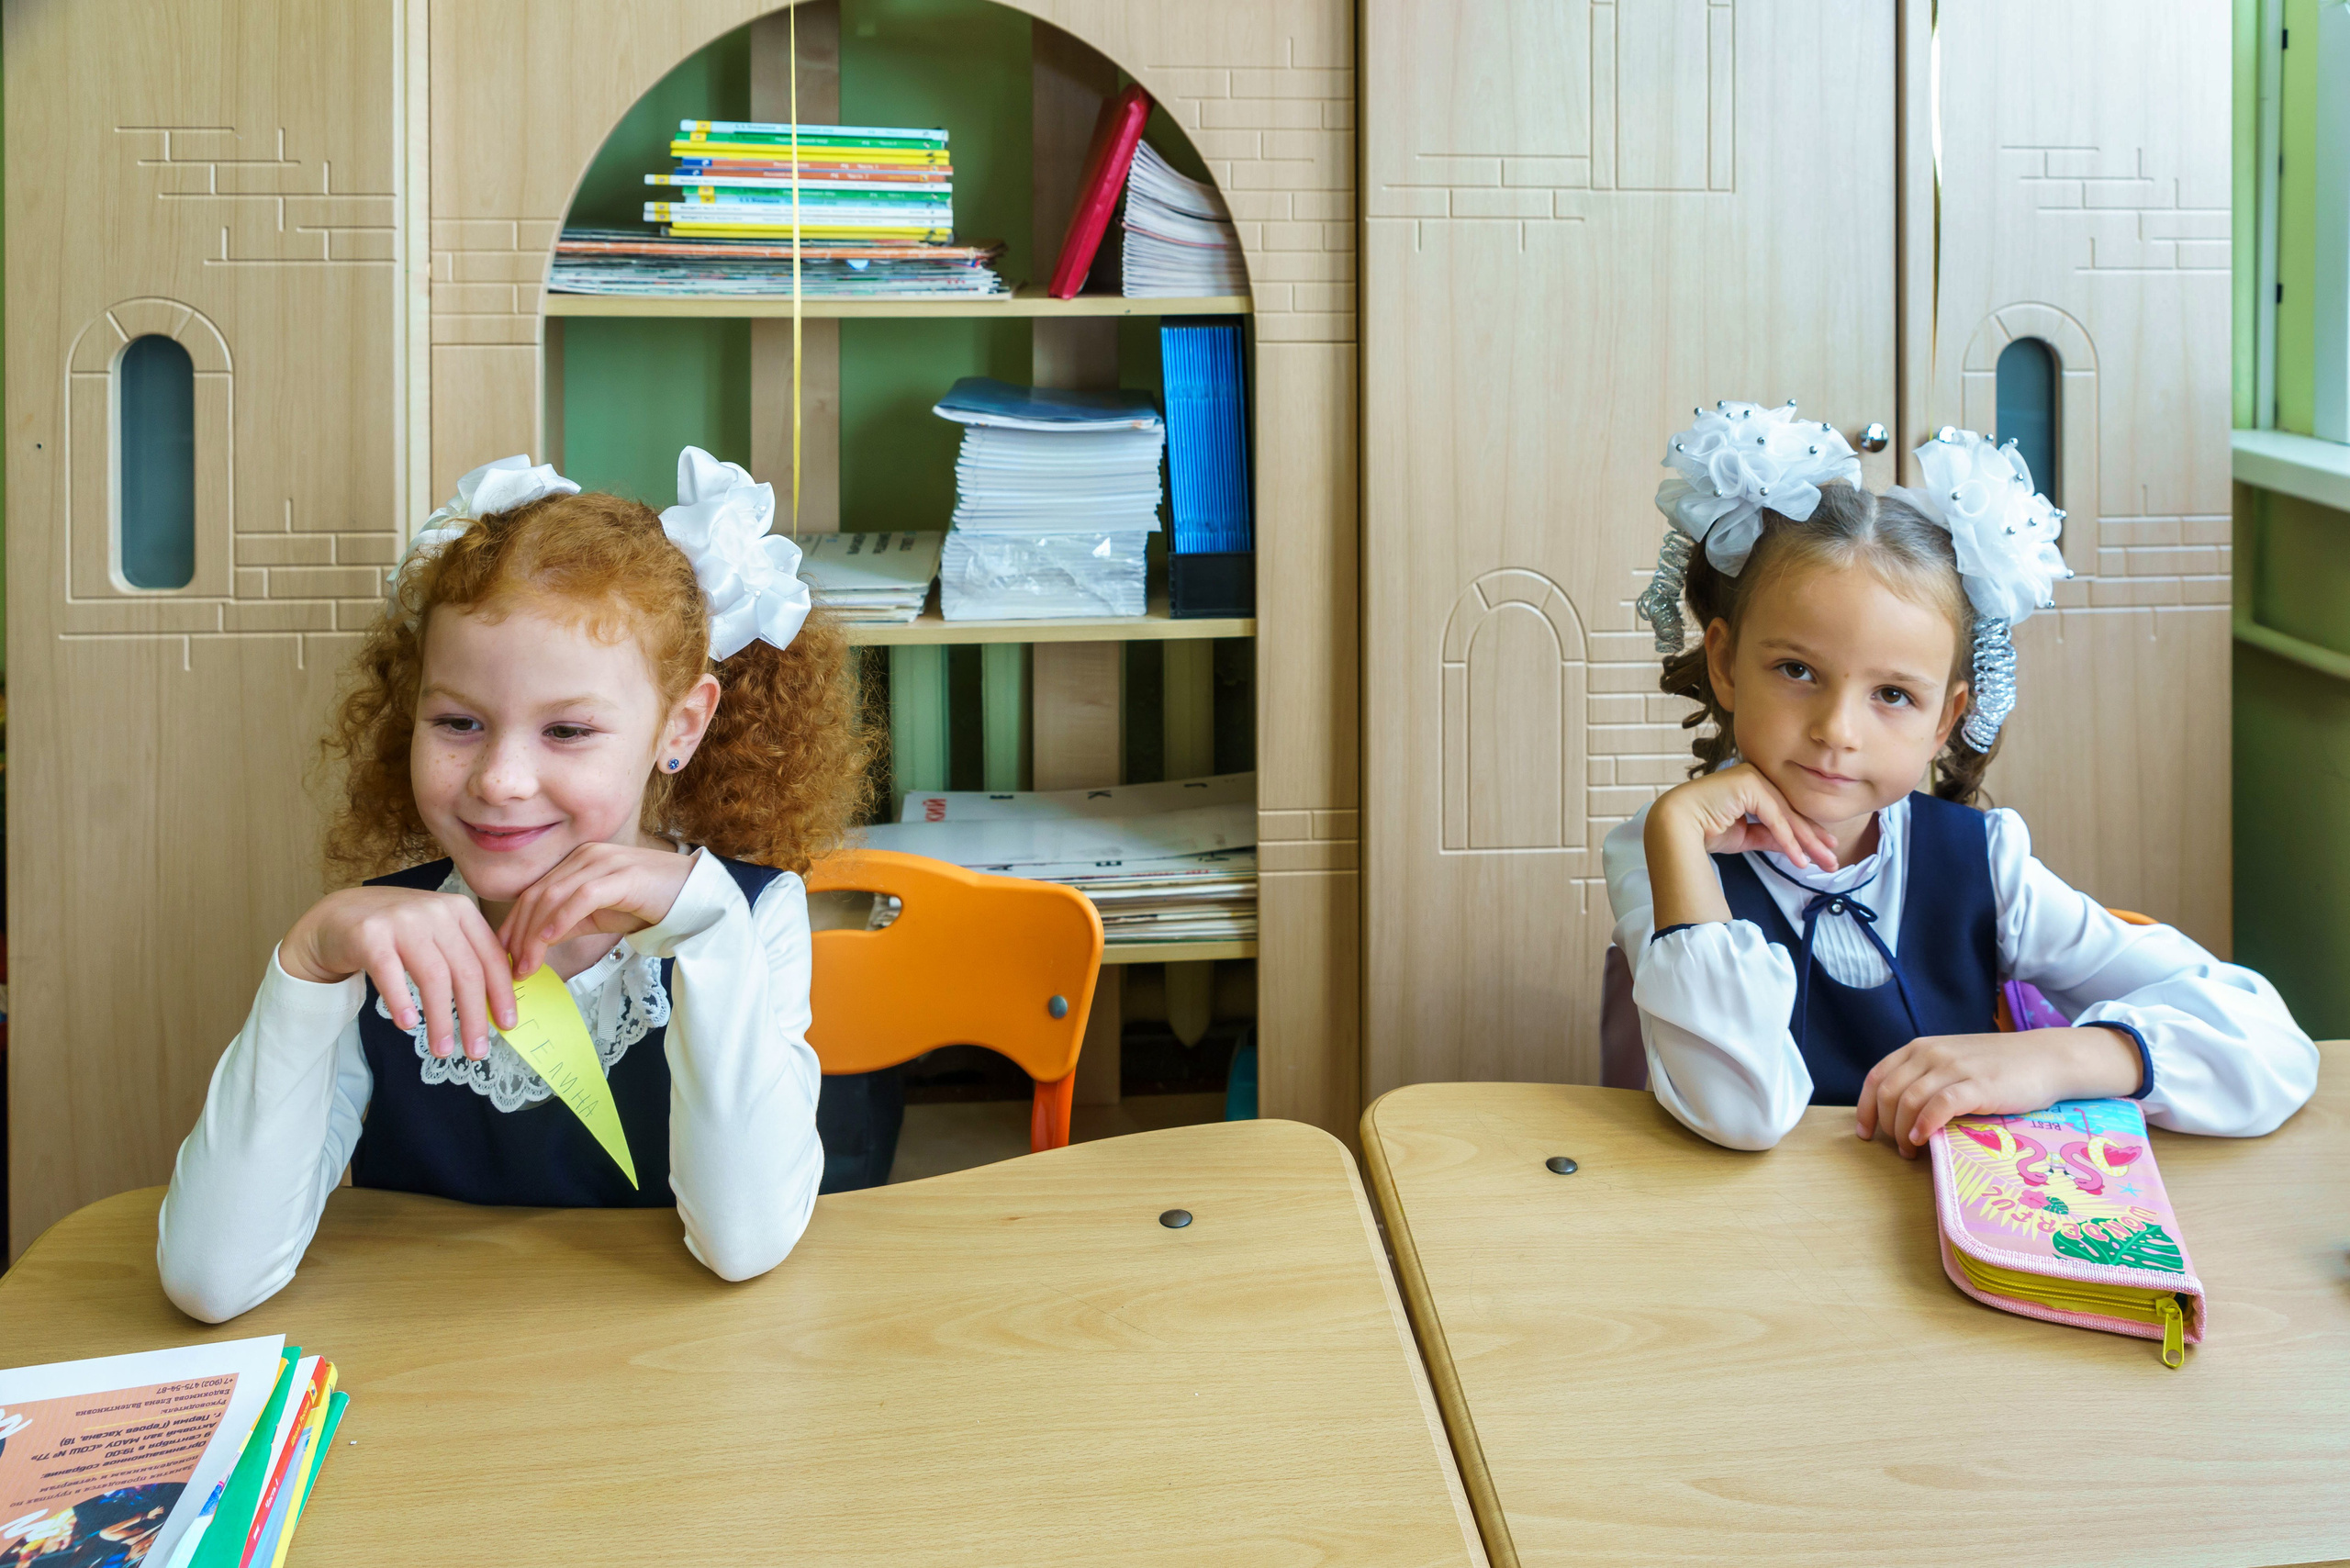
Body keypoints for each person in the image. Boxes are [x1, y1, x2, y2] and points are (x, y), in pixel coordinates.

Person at [158, 449, 870, 1322]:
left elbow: (744, 1242)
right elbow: (210, 1279)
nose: (499, 779)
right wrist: (306, 965)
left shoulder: (747, 916)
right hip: (434, 1387)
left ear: (678, 725)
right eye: (458, 722)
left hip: (675, 1390)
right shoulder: (378, 947)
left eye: (567, 730)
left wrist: (708, 928)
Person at [1605, 401, 2317, 1154]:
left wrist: (2060, 1058)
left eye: (1892, 695)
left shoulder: (1984, 863)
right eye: (1796, 670)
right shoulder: (1659, 856)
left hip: (1960, 1249)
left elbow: (2271, 1041)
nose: (1838, 731)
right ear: (1724, 663)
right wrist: (1677, 834)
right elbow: (1739, 1114)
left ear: (1946, 720)